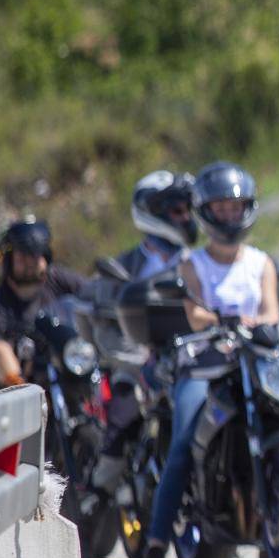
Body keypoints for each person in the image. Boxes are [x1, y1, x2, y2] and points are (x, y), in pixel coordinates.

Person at [141, 162, 279, 558]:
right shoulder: (191, 263)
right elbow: (196, 312)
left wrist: (258, 327)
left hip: (253, 360)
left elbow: (271, 312)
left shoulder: (261, 263)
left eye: (235, 207)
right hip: (204, 364)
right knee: (185, 440)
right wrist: (221, 321)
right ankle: (156, 542)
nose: (228, 215)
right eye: (219, 208)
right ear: (205, 212)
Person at [90, 171, 201, 499]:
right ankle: (98, 491)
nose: (185, 218)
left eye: (187, 211)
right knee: (124, 417)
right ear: (152, 213)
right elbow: (104, 325)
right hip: (137, 364)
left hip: (188, 363)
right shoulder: (126, 266)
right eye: (176, 211)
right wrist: (137, 359)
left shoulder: (199, 265)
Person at [0, 219, 87, 390]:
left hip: (65, 370)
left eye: (36, 254)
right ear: (8, 259)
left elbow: (92, 293)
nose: (31, 262)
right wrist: (19, 386)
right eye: (23, 255)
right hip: (15, 391)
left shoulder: (57, 279)